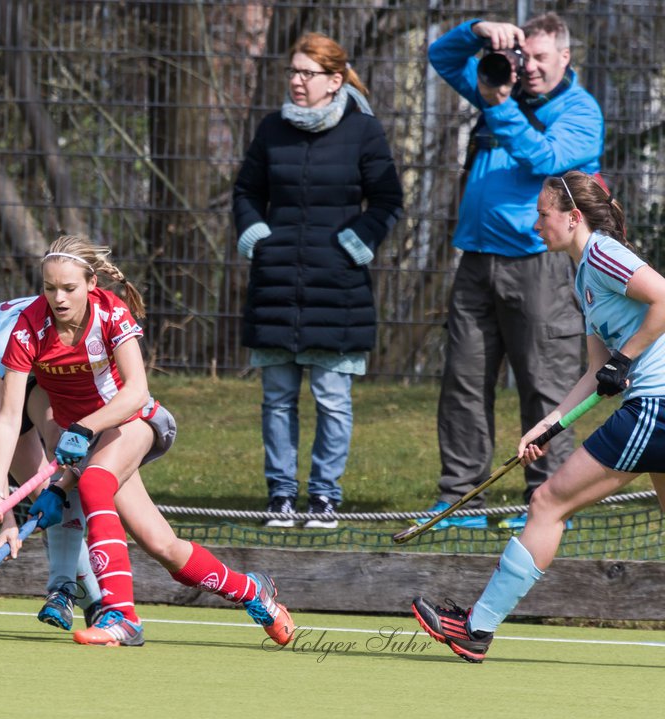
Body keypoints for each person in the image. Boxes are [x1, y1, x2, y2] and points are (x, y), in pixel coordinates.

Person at [0, 234, 296, 648]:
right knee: (162, 545)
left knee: (93, 483)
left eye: (69, 288)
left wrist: (83, 431)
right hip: (88, 437)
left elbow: (136, 392)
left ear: (92, 284)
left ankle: (121, 617)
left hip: (134, 420)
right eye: (49, 287)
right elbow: (6, 418)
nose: (58, 298)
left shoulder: (110, 312)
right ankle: (255, 593)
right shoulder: (28, 329)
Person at [412, 170, 665, 662]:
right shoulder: (583, 275)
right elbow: (596, 371)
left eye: (542, 214)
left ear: (572, 218)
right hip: (654, 405)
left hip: (656, 407)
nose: (534, 224)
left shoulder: (603, 254)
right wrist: (551, 425)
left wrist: (627, 358)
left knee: (547, 502)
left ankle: (476, 629)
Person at [418, 12, 604, 531]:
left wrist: (500, 106)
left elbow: (546, 159)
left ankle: (547, 501)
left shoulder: (581, 112)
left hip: (540, 264)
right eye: (526, 58)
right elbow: (441, 57)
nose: (531, 69)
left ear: (565, 58)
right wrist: (478, 30)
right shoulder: (503, 89)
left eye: (542, 58)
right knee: (463, 382)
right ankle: (461, 501)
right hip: (476, 259)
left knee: (546, 386)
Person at [232, 32, 403, 530]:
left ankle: (325, 498)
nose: (297, 81)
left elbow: (389, 200)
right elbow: (245, 192)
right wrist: (256, 235)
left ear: (334, 80)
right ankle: (281, 496)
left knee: (332, 399)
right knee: (277, 399)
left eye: (307, 73)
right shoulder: (271, 130)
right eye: (293, 71)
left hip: (339, 289)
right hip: (275, 284)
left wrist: (355, 242)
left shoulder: (364, 132)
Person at [0, 297, 101, 631]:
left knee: (65, 477)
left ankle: (66, 593)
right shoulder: (13, 337)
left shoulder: (90, 323)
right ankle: (93, 598)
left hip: (42, 373)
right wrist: (5, 512)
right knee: (39, 489)